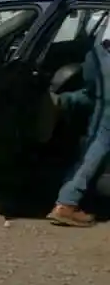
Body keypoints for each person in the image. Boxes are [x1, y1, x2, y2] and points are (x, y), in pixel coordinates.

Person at [47, 17, 110, 227]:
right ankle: (67, 202)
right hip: (107, 59)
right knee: (102, 136)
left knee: (96, 102)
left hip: (99, 53)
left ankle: (61, 102)